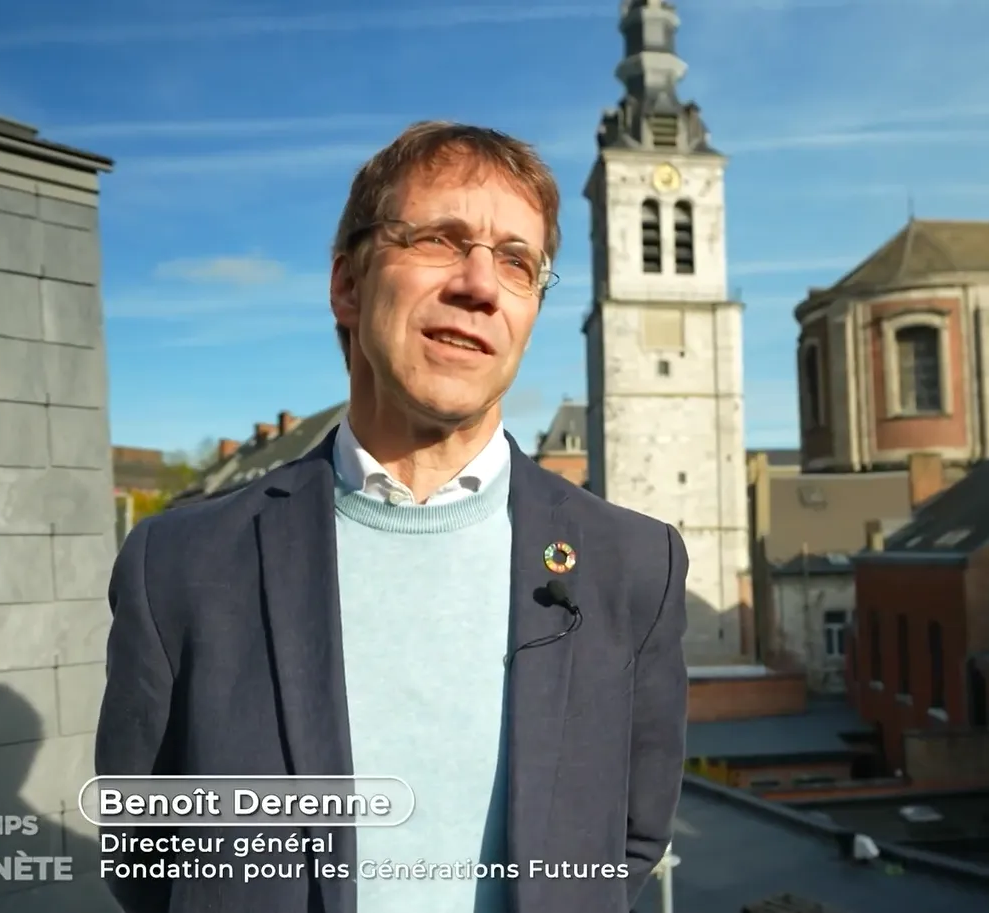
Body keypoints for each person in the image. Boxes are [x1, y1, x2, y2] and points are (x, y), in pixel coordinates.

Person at [95, 121, 689, 913]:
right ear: (347, 284)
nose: (480, 284)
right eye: (442, 240)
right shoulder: (181, 561)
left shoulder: (634, 565)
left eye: (517, 261)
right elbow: (145, 853)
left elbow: (629, 840)